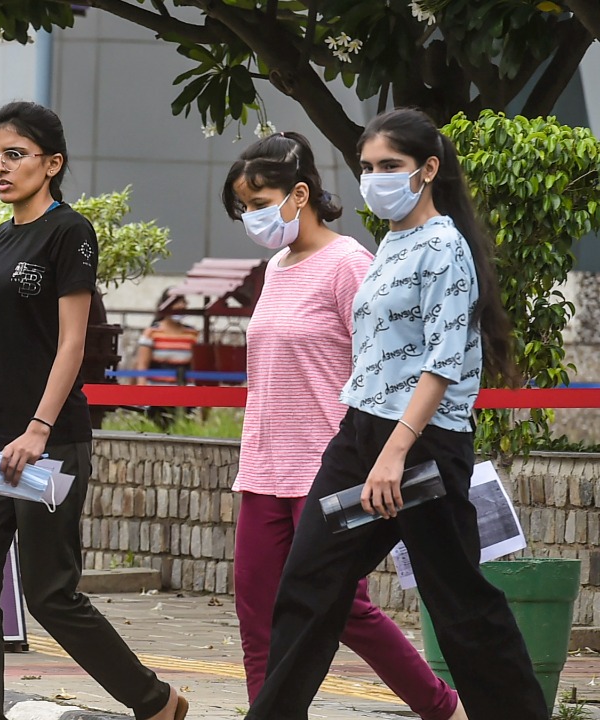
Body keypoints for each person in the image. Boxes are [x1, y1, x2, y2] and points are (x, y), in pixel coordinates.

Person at [245, 110, 545, 719]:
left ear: (428, 170)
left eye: (390, 167)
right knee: (307, 584)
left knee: (457, 600)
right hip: (359, 434)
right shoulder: (390, 243)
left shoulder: (444, 246)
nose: (375, 178)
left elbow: (442, 361)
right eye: (367, 168)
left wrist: (395, 452)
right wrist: (367, 442)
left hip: (422, 442)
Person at [0, 100, 187, 720]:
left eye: (15, 155)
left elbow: (72, 343)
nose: (0, 167)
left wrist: (38, 427)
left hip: (48, 443)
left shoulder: (69, 232)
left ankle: (156, 701)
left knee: (50, 594)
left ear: (52, 163)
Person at [222, 131, 464, 720]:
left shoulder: (350, 263)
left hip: (332, 463)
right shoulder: (276, 266)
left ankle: (443, 707)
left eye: (259, 204)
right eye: (243, 209)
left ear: (298, 194)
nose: (251, 218)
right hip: (263, 466)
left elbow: (392, 362)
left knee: (344, 607)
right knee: (257, 614)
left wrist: (391, 450)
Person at [132, 289, 198, 385]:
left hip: (183, 392)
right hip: (156, 391)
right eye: (176, 303)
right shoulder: (151, 333)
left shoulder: (192, 334)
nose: (181, 306)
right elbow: (142, 367)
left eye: (183, 302)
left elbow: (195, 367)